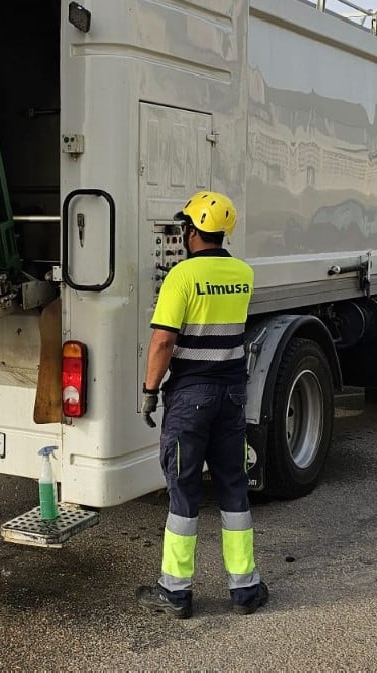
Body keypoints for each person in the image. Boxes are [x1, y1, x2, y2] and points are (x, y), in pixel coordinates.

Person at [136, 190, 268, 619]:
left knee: (184, 489)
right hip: (231, 395)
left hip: (190, 396)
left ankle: (176, 591)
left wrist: (150, 389)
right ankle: (244, 588)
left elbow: (163, 340)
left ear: (192, 231)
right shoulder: (243, 274)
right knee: (233, 485)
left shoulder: (182, 277)